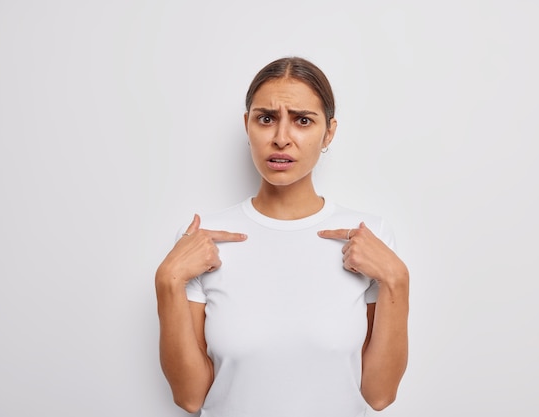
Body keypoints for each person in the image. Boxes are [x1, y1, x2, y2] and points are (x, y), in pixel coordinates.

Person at [155, 56, 409, 417]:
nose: (281, 138)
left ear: (329, 132)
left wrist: (397, 279)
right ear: (248, 125)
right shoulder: (201, 239)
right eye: (266, 119)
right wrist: (167, 281)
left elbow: (379, 395)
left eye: (303, 120)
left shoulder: (370, 237)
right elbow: (190, 397)